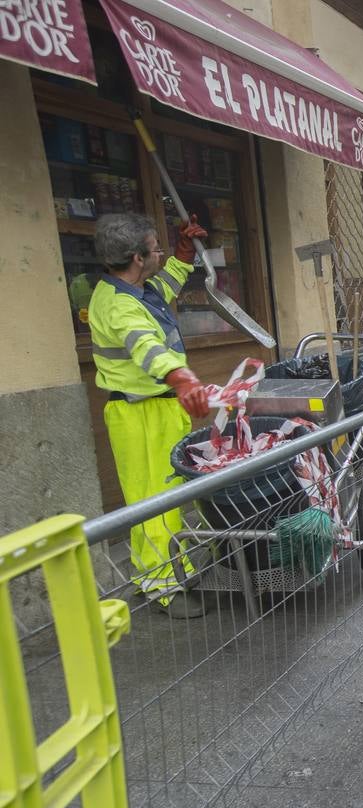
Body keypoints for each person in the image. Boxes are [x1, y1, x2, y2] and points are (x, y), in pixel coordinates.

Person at [89, 212, 211, 617]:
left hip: (160, 408)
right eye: (156, 247)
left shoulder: (142, 288)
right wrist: (183, 380)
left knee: (168, 498)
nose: (160, 252)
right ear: (137, 258)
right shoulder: (116, 305)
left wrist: (182, 251)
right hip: (138, 415)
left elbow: (169, 282)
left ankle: (168, 570)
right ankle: (165, 587)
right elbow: (146, 346)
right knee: (153, 502)